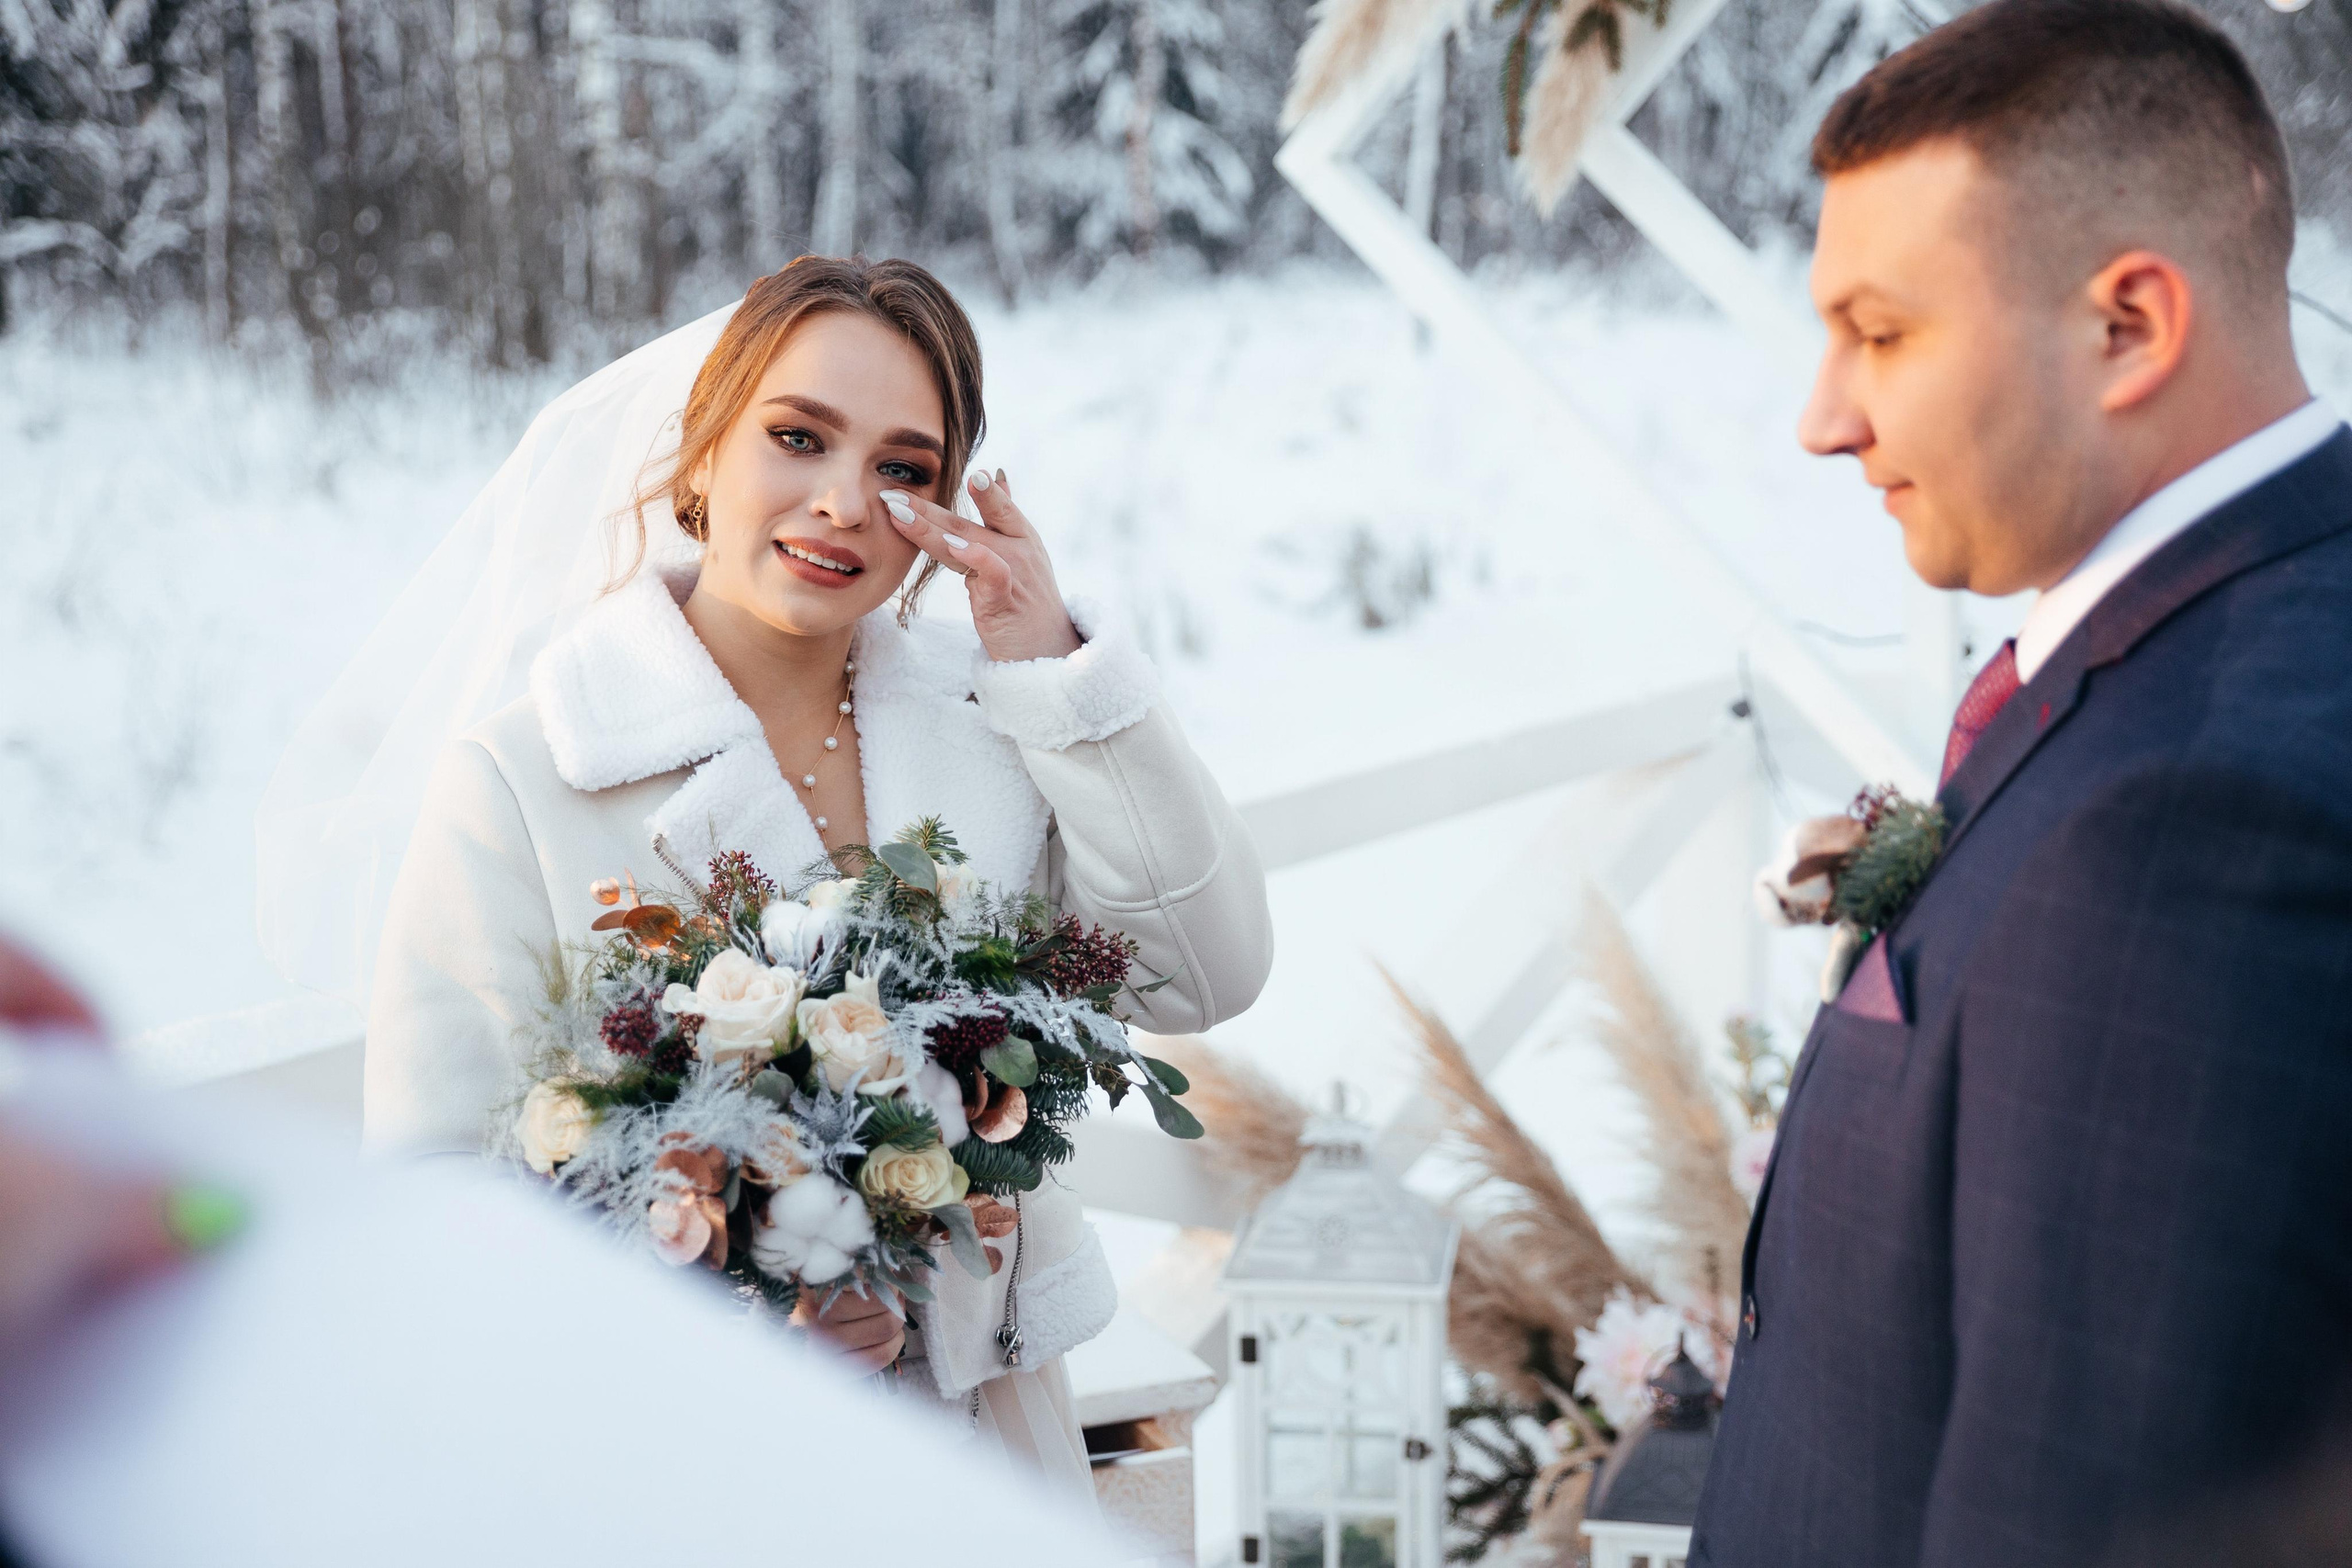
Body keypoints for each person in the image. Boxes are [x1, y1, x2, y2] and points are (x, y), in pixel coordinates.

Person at [345, 256, 1273, 1496]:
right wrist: (741, 1299)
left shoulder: (993, 725)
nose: (844, 501)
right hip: (677, 1471)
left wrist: (1060, 681)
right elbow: (437, 1195)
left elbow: (1202, 973)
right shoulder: (528, 776)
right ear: (702, 455)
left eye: (904, 469)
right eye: (798, 437)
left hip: (986, 1439)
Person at [1692, 3, 2352, 1562]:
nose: (1823, 417)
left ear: (2129, 324)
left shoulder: (2195, 819)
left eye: (1886, 329)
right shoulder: (2239, 635)